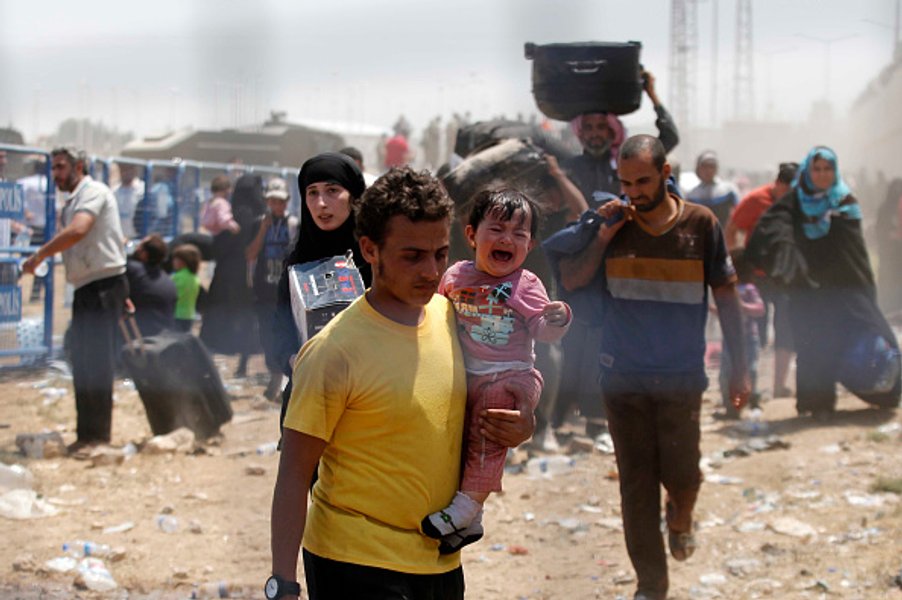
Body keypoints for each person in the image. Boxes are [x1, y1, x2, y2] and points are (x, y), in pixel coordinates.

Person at [270, 166, 535, 600]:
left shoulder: (452, 318)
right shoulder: (335, 351)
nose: (431, 271)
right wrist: (282, 582)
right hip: (354, 562)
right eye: (412, 256)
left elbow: (482, 403)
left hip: (438, 558)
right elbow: (294, 474)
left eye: (441, 254)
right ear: (370, 250)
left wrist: (521, 425)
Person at [558, 135, 750, 600]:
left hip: (681, 377)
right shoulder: (613, 224)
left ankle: (681, 517)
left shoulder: (700, 224)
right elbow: (572, 280)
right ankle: (651, 584)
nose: (634, 192)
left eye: (642, 181)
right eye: (626, 183)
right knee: (636, 486)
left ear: (666, 174)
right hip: (622, 376)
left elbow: (727, 297)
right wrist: (602, 237)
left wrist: (740, 369)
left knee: (683, 476)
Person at [421, 189, 571, 553]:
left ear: (530, 245)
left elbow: (543, 331)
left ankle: (466, 507)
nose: (507, 239)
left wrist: (559, 318)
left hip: (512, 377)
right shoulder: (456, 276)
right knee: (464, 437)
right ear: (472, 235)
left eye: (518, 234)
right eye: (497, 229)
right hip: (468, 377)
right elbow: (436, 315)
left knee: (488, 429)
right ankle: (472, 521)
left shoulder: (525, 284)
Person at [747, 146, 901, 420]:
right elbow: (769, 231)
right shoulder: (792, 203)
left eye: (827, 169)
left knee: (871, 338)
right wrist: (789, 261)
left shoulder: (844, 201)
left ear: (835, 171)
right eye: (816, 169)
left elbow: (855, 252)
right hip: (807, 291)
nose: (822, 174)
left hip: (845, 289)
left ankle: (883, 393)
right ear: (807, 172)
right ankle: (815, 404)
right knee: (812, 345)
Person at [22, 147, 129, 456]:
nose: (55, 174)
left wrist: (40, 254)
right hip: (88, 286)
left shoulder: (93, 192)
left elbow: (79, 230)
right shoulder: (74, 200)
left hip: (103, 286)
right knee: (82, 361)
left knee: (97, 362)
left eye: (60, 167)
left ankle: (98, 437)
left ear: (78, 166)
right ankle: (87, 435)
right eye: (53, 168)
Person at [272, 152, 372, 430]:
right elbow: (278, 329)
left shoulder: (374, 256)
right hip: (309, 402)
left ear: (354, 196)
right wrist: (293, 361)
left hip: (367, 400)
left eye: (332, 191)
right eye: (312, 193)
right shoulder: (297, 260)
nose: (321, 203)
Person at [726, 162, 799, 398]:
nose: (791, 195)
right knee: (755, 331)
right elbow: (732, 228)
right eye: (788, 189)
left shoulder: (800, 203)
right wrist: (735, 265)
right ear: (778, 184)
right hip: (755, 276)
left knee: (786, 328)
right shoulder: (756, 200)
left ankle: (778, 385)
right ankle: (753, 383)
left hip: (786, 277)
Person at [557, 70, 679, 206]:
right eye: (588, 128)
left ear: (612, 131)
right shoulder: (569, 168)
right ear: (581, 132)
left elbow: (670, 137)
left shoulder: (632, 161)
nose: (594, 134)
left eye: (601, 127)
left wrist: (652, 95)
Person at [199, 173, 263, 378]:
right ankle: (244, 356)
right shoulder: (260, 215)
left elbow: (219, 245)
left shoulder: (232, 214)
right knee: (247, 317)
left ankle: (221, 351)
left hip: (227, 275)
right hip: (250, 275)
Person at [246, 177, 298, 401]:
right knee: (267, 335)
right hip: (264, 290)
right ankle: (274, 376)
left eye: (281, 201)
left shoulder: (293, 224)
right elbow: (250, 254)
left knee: (287, 333)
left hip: (285, 290)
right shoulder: (258, 223)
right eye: (273, 201)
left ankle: (284, 380)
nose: (277, 206)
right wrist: (262, 230)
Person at [716, 249, 764, 419]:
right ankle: (731, 408)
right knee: (726, 373)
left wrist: (742, 306)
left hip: (748, 338)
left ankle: (752, 400)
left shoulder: (749, 289)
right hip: (729, 339)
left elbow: (760, 309)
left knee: (750, 370)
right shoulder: (727, 290)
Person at [125, 234, 177, 337]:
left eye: (139, 246)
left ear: (144, 254)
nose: (136, 247)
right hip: (165, 337)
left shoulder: (133, 270)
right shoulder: (167, 280)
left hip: (140, 338)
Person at [685, 151, 739, 229]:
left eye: (711, 166)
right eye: (704, 167)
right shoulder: (692, 195)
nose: (708, 170)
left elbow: (738, 213)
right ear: (698, 169)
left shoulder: (728, 190)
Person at [171, 243, 202, 333]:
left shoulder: (176, 277)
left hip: (176, 314)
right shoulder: (195, 278)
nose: (173, 262)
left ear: (183, 261)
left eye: (175, 259)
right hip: (189, 315)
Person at [113, 163, 145, 240]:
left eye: (129, 169)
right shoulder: (114, 191)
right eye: (123, 169)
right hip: (120, 236)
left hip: (138, 236)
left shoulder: (142, 189)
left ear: (134, 170)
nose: (126, 172)